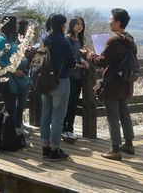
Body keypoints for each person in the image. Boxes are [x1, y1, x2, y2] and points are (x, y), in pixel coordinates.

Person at [81, 8, 137, 160]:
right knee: (124, 113)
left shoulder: (114, 41)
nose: (109, 22)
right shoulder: (129, 39)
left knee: (113, 115)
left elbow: (102, 61)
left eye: (111, 19)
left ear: (118, 22)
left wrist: (89, 54)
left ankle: (115, 149)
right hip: (126, 82)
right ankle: (129, 144)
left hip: (113, 84)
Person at [40, 14, 76, 161]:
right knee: (57, 117)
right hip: (60, 82)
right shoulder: (63, 42)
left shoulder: (45, 39)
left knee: (45, 115)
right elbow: (72, 62)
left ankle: (45, 148)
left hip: (44, 82)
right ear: (63, 26)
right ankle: (55, 149)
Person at [62, 16, 89, 142]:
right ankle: (63, 129)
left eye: (81, 24)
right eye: (77, 24)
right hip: (69, 75)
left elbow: (79, 56)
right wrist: (79, 64)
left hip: (79, 76)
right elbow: (67, 59)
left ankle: (70, 129)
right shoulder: (67, 39)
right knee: (67, 103)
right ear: (72, 25)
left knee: (73, 103)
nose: (80, 26)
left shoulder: (80, 40)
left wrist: (85, 59)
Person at [0, 16, 20, 124]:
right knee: (10, 105)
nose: (18, 25)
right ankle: (8, 132)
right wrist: (12, 69)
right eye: (16, 23)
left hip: (13, 76)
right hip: (5, 77)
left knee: (10, 105)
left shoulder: (12, 40)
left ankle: (7, 129)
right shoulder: (1, 40)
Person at [13, 19, 31, 136]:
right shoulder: (17, 41)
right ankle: (17, 125)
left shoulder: (22, 40)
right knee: (19, 102)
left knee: (20, 101)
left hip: (24, 72)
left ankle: (19, 123)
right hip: (19, 73)